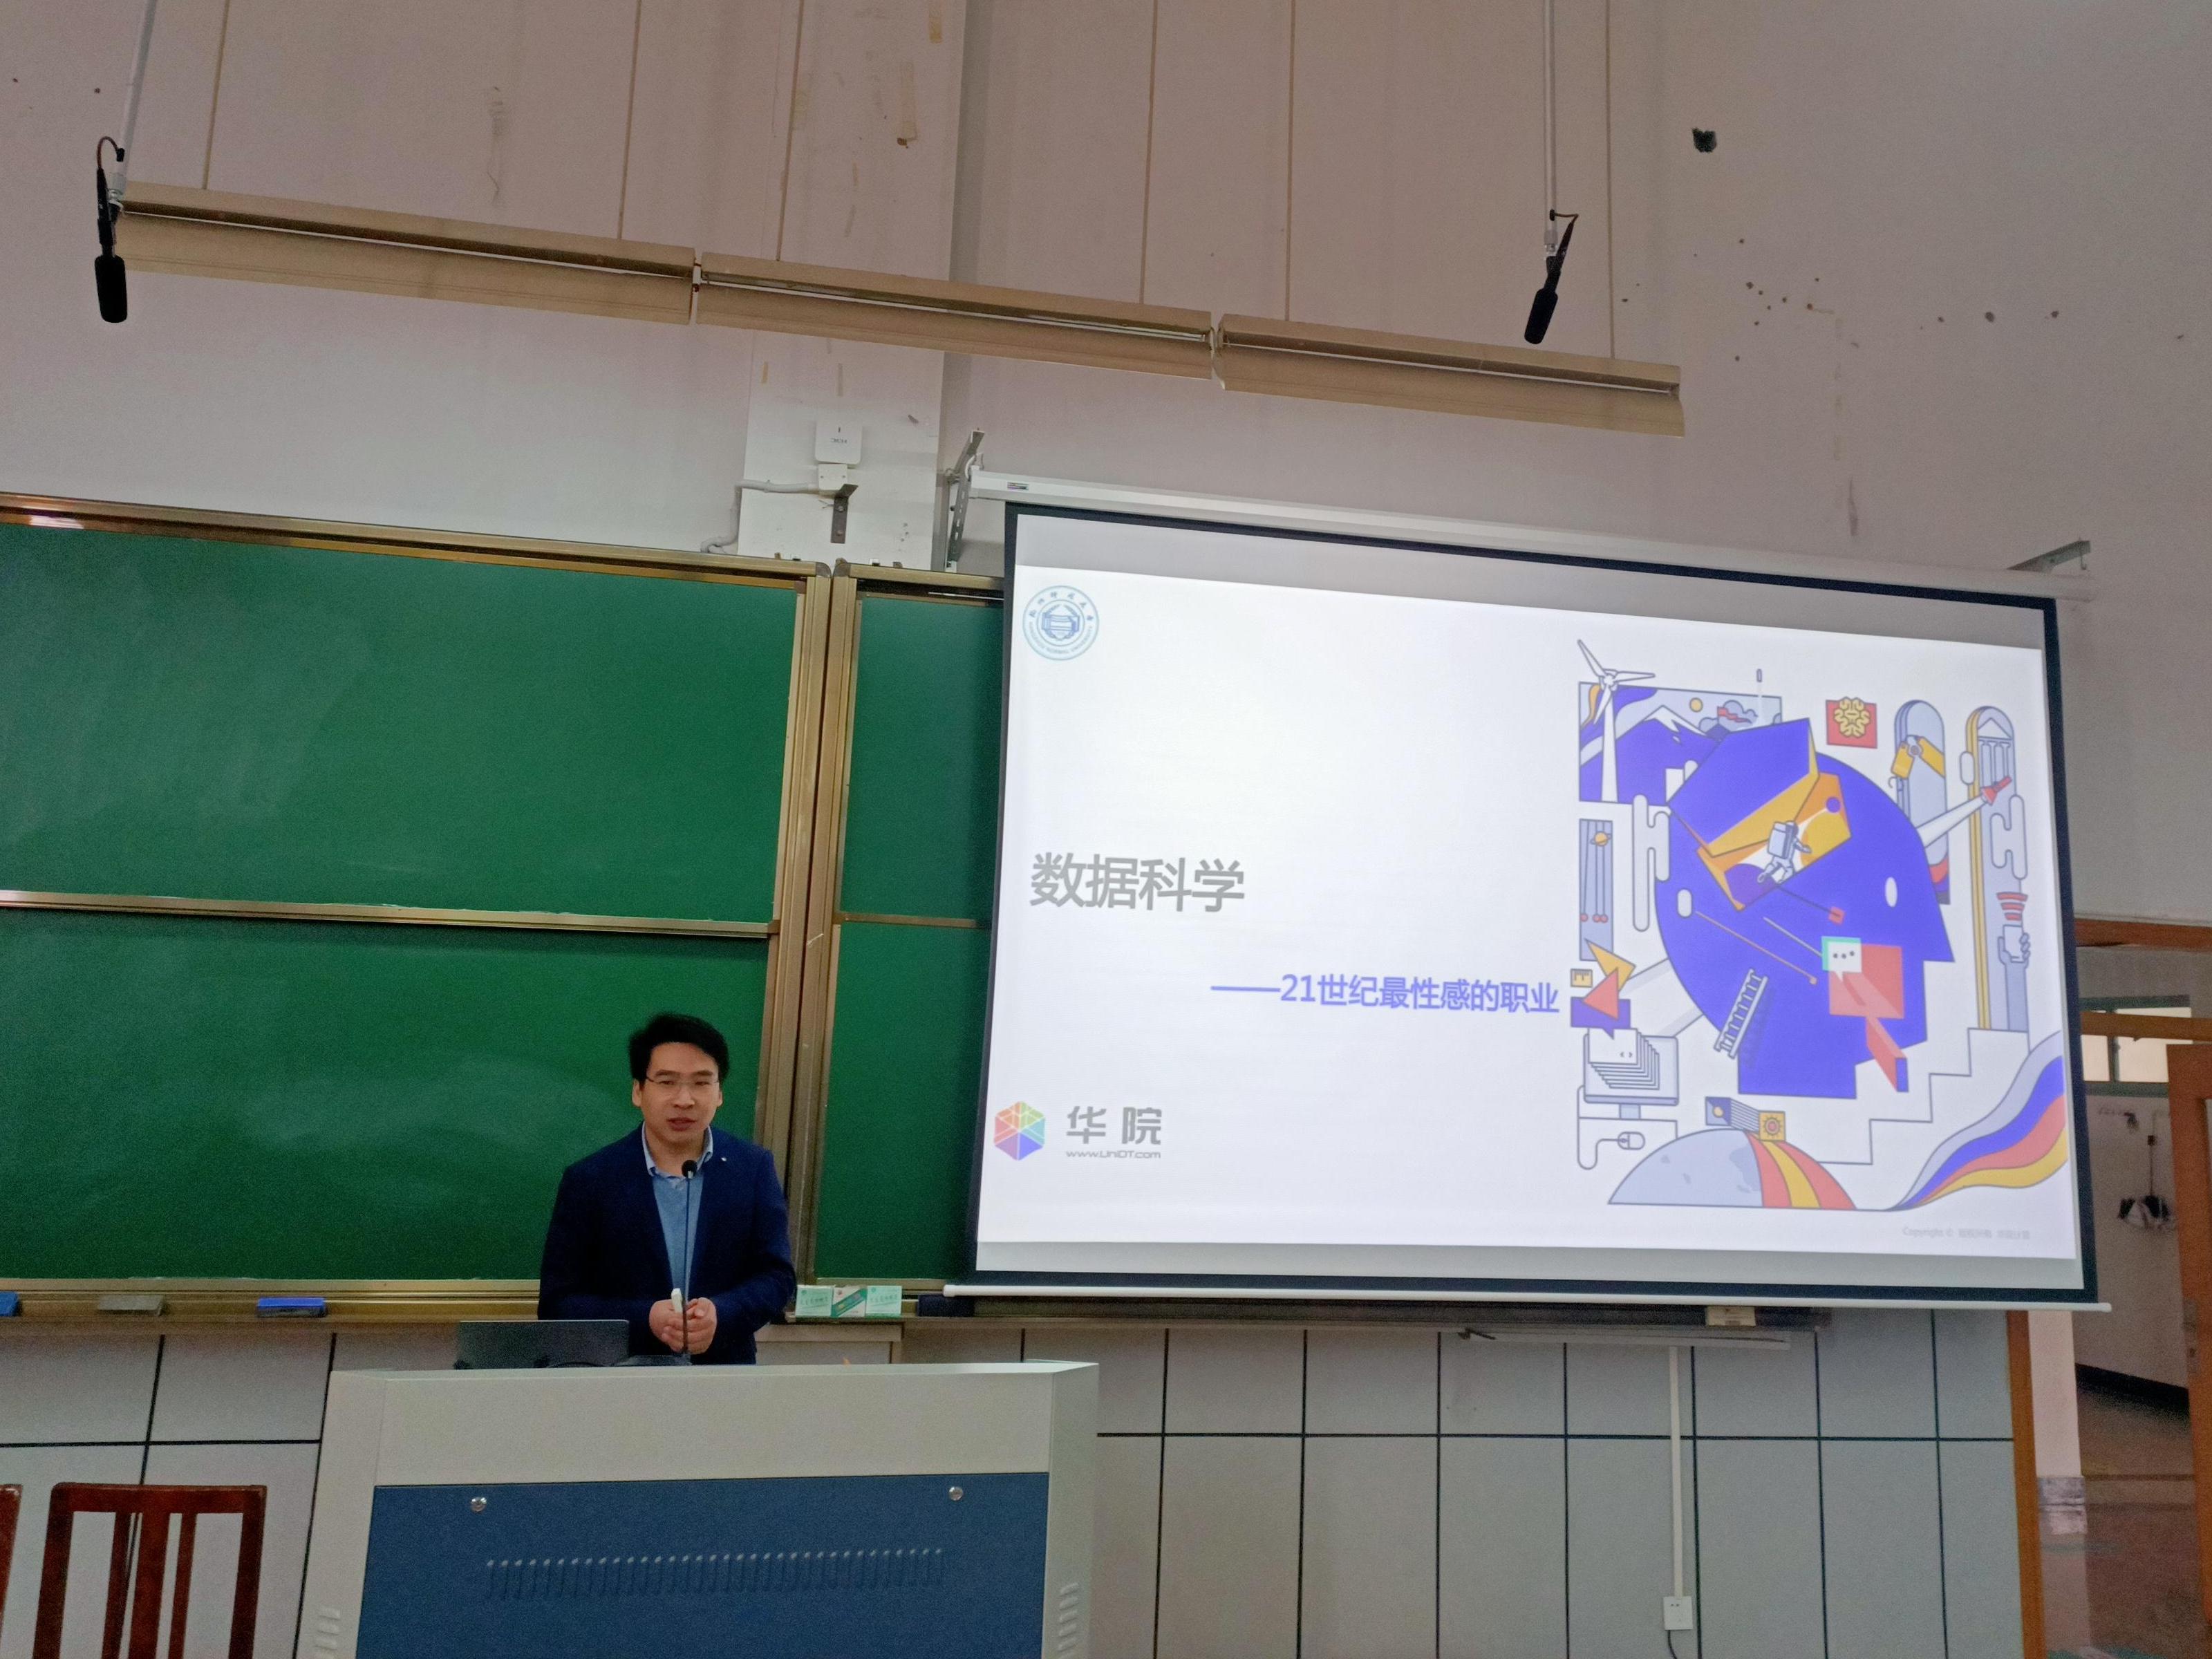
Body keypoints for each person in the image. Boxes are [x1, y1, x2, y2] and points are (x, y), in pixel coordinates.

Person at [537, 1012, 795, 1363]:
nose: (684, 1100)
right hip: (621, 1376)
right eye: (667, 1082)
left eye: (701, 1083)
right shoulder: (591, 1179)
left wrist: (722, 1314)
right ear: (638, 1090)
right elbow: (558, 1303)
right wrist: (646, 1319)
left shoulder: (752, 1169)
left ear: (720, 1093)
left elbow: (777, 1277)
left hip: (724, 1376)